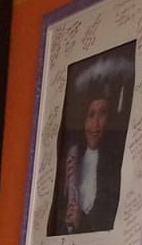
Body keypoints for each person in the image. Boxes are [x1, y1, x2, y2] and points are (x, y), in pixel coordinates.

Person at [52, 82, 124, 235]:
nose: (96, 125)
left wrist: (82, 221)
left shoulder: (114, 166)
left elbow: (109, 220)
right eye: (91, 115)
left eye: (102, 114)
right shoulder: (73, 158)